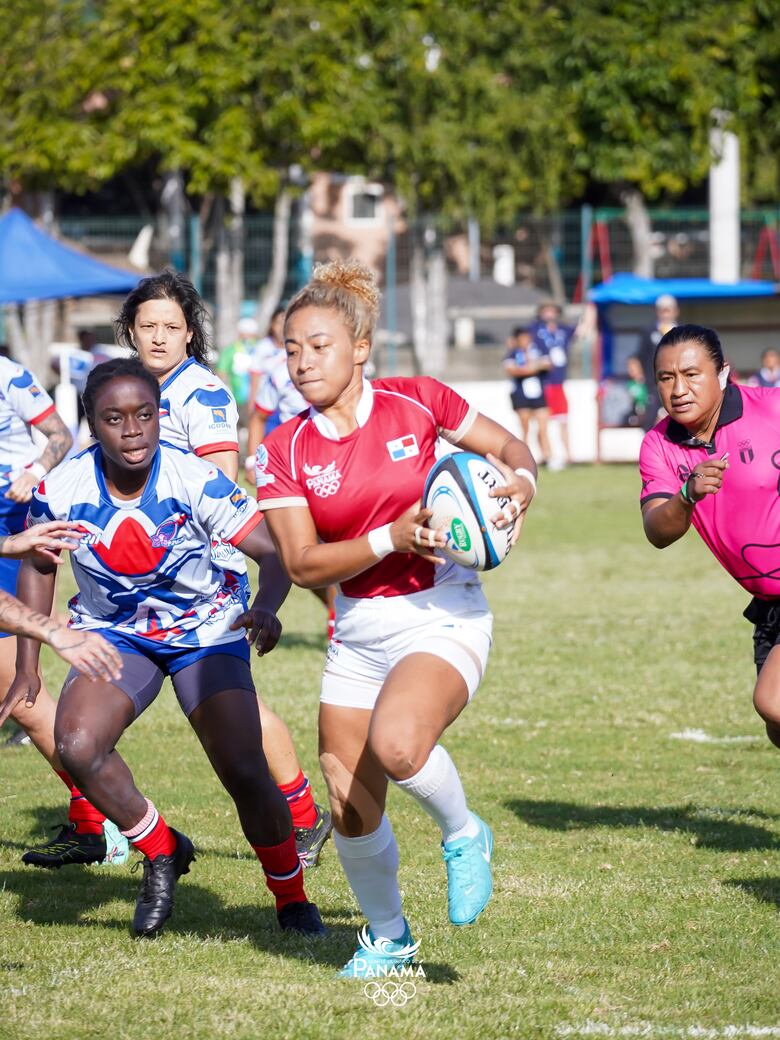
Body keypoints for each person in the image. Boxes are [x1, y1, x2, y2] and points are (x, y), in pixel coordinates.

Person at [256, 260, 537, 978]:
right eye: (291, 349)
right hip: (358, 631)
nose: (301, 362)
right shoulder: (285, 448)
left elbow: (508, 447)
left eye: (317, 346)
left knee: (401, 747)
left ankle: (464, 832)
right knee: (347, 797)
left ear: (359, 347)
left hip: (440, 614)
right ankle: (389, 936)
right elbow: (303, 562)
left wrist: (521, 481)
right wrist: (390, 536)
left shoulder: (418, 402)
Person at [2, 358, 325, 939]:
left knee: (244, 768)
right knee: (77, 745)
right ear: (90, 425)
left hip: (205, 629)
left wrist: (268, 609)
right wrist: (28, 664)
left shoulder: (191, 477)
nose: (133, 430)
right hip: (115, 633)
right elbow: (37, 562)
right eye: (114, 418)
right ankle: (161, 849)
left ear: (160, 416)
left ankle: (291, 897)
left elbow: (275, 553)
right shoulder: (61, 487)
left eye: (145, 415)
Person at [113, 271, 331, 868]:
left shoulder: (201, 393)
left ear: (190, 334)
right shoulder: (124, 385)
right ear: (131, 330)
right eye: (148, 326)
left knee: (229, 707)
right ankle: (97, 816)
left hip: (203, 572)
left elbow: (221, 480)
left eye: (171, 327)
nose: (158, 337)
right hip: (141, 574)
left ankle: (304, 816)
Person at [639, 324, 780, 765]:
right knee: (778, 728)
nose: (678, 389)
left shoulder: (773, 410)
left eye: (691, 374)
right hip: (768, 603)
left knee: (772, 699)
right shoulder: (659, 446)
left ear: (723, 374)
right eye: (666, 378)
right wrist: (687, 494)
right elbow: (658, 531)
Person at [530, 302, 575, 468]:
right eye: (546, 310)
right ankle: (546, 455)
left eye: (552, 310)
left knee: (563, 420)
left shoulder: (563, 330)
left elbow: (583, 329)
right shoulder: (534, 330)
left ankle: (569, 456)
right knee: (542, 422)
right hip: (544, 383)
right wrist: (540, 363)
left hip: (559, 383)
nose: (549, 314)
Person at [503, 326, 552, 464]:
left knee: (543, 427)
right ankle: (524, 459)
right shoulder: (512, 354)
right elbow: (513, 370)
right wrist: (533, 368)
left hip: (538, 394)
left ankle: (547, 456)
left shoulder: (537, 351)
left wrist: (530, 367)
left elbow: (547, 364)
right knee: (525, 428)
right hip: (521, 395)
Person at [638, 293, 679, 431]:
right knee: (650, 417)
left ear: (675, 311)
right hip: (653, 384)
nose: (665, 314)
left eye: (668, 310)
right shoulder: (648, 332)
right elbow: (640, 355)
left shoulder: (682, 332)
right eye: (662, 310)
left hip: (676, 383)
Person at [216, 316, 260, 413]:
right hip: (237, 398)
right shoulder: (230, 350)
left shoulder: (259, 348)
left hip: (256, 399)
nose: (247, 336)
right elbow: (221, 373)